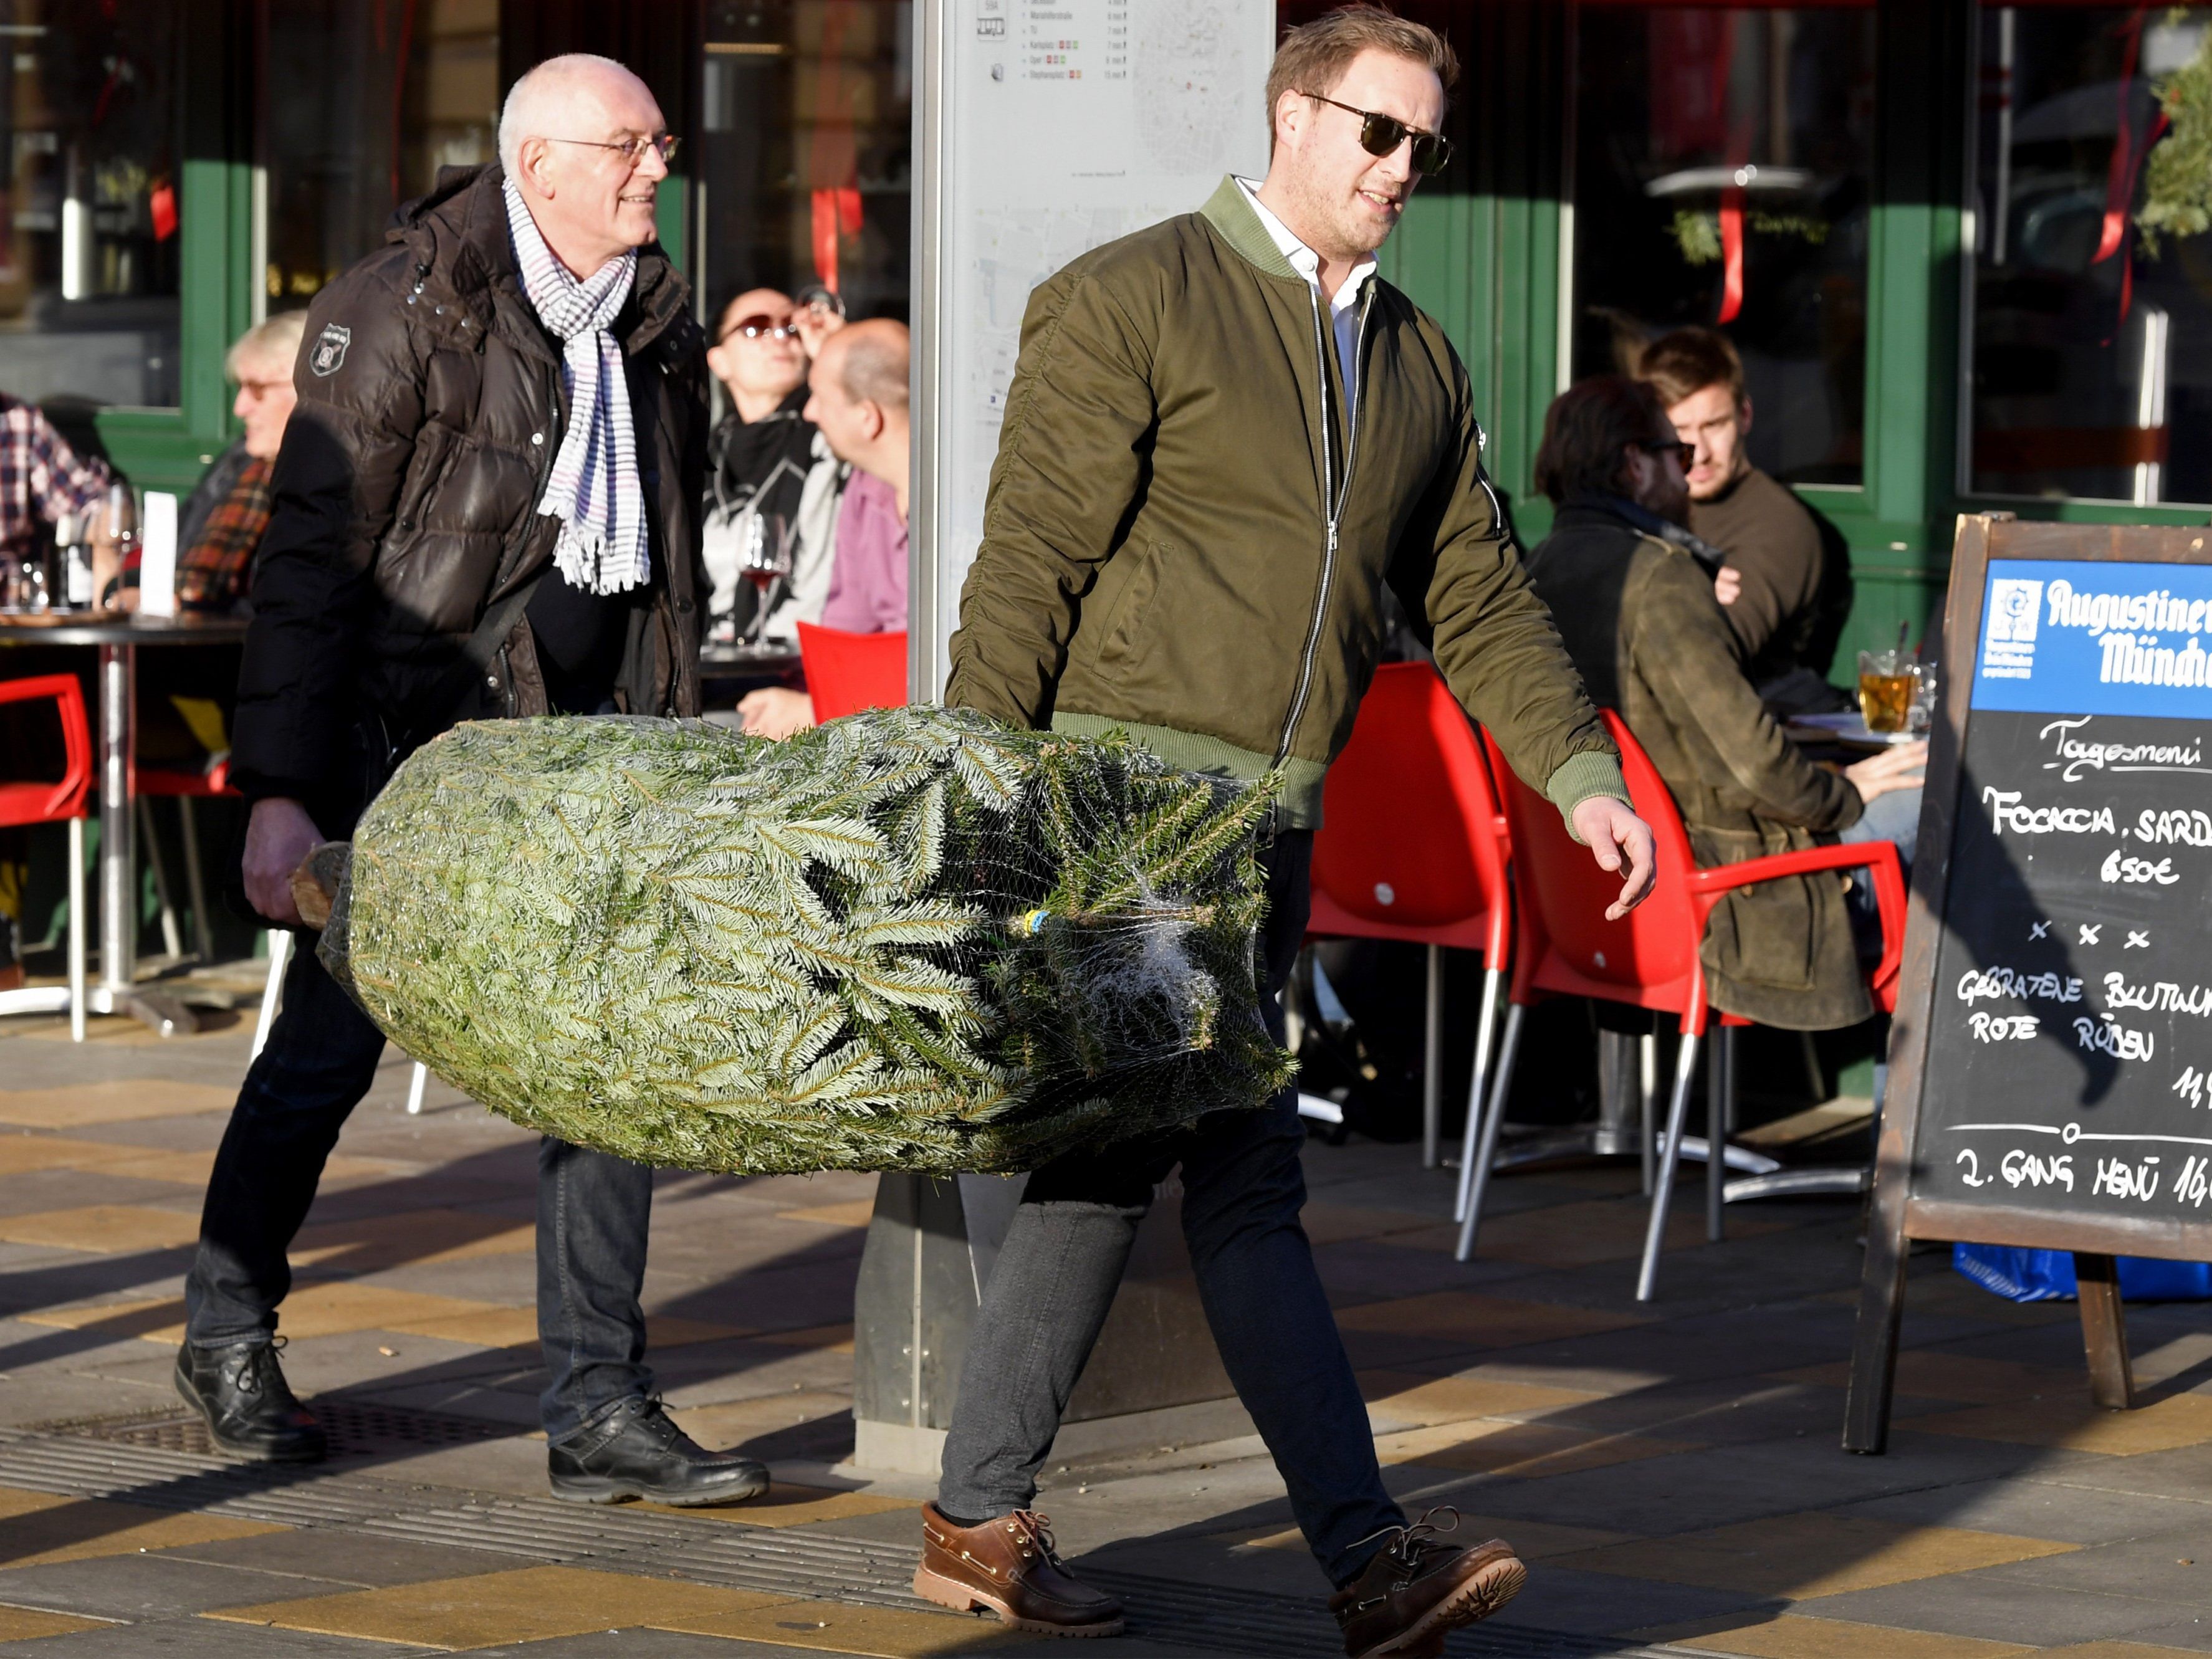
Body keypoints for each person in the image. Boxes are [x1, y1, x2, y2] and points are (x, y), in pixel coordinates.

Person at [922, 9, 1655, 1653]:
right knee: (1202, 1177)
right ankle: (1358, 1553)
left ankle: (982, 1520)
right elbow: (1024, 565)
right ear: (1292, 117)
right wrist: (980, 815)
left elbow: (1472, 590)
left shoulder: (1409, 353)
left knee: (1140, 1177)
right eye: (1377, 135)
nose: (1402, 172)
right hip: (1121, 817)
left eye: (1424, 148)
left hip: (1267, 831)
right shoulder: (1132, 298)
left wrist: (1578, 770)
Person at [178, 54, 768, 1509]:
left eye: (660, 144)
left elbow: (667, 581)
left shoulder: (653, 322)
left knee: (609, 1067)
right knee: (327, 1052)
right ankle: (225, 1330)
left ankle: (599, 1401)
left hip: (593, 745)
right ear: (542, 164)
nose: (656, 170)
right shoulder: (404, 308)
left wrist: (676, 742)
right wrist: (281, 787)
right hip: (409, 743)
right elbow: (306, 569)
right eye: (629, 147)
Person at [1521, 376, 1923, 1031]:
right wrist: (1842, 791)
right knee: (1938, 804)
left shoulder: (1535, 570)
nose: (1687, 476)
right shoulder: (1658, 575)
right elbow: (1754, 765)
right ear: (1635, 464)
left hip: (1581, 893)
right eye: (1676, 456)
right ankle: (1918, 1120)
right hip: (1722, 889)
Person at [1638, 327, 1851, 699]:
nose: (1699, 452)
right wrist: (1688, 586)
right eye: (1679, 430)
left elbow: (1706, 660)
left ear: (1745, 416)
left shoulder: (1778, 523)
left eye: (1714, 425)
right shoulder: (1640, 505)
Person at [736, 319, 909, 739]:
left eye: (820, 397)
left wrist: (819, 712)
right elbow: (844, 638)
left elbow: (956, 671)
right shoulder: (863, 491)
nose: (809, 412)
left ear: (868, 418)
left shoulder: (965, 508)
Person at [701, 288, 843, 646]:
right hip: (709, 663)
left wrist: (834, 351)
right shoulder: (698, 462)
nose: (779, 338)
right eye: (755, 328)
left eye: (791, 328)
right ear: (719, 361)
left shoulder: (834, 439)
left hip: (802, 659)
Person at [173, 313, 308, 613]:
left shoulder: (334, 486)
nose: (240, 408)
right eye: (240, 389)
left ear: (307, 391)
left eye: (257, 389)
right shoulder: (239, 464)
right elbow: (179, 556)